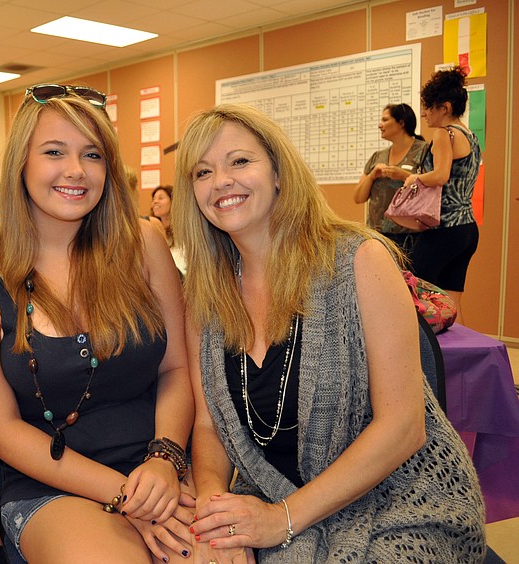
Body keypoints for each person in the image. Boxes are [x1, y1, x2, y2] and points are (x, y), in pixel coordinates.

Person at [172, 104, 486, 563]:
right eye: (203, 172)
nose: (221, 181)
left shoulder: (359, 259)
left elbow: (403, 428)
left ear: (279, 174)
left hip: (401, 502)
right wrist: (216, 514)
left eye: (239, 161)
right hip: (270, 495)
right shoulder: (204, 295)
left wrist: (282, 518)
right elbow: (208, 427)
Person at [0, 84, 194, 562]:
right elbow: (1, 430)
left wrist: (165, 460)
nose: (76, 170)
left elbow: (177, 369)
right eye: (55, 152)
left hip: (160, 466)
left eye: (92, 154)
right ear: (21, 163)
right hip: (51, 483)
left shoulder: (144, 244)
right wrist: (128, 496)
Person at [402, 67, 481, 325]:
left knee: (414, 293)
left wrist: (414, 178)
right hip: (467, 230)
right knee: (452, 302)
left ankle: (423, 349)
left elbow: (441, 175)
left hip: (444, 229)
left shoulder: (444, 133)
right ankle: (463, 351)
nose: (424, 113)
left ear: (445, 107)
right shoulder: (470, 136)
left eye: (428, 107)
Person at [353, 103, 427, 257]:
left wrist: (404, 176)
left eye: (385, 120)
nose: (380, 125)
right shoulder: (377, 157)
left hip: (411, 236)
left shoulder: (424, 151)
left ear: (401, 123)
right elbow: (358, 197)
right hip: (377, 236)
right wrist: (372, 176)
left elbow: (433, 187)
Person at [151, 185, 186, 276]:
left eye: (161, 198)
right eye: (154, 199)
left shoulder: (182, 231)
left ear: (172, 201)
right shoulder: (152, 230)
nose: (155, 201)